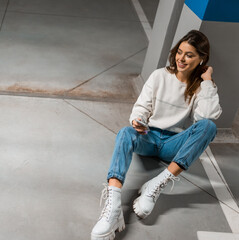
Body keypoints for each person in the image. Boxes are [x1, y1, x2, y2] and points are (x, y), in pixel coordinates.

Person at [91, 30, 222, 240]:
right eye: (180, 52)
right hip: (149, 137)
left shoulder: (201, 87)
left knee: (209, 127)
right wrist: (138, 121)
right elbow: (142, 106)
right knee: (125, 133)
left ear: (201, 59)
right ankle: (114, 204)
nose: (181, 58)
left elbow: (207, 116)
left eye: (189, 55)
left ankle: (156, 184)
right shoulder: (160, 75)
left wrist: (207, 81)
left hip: (173, 144)